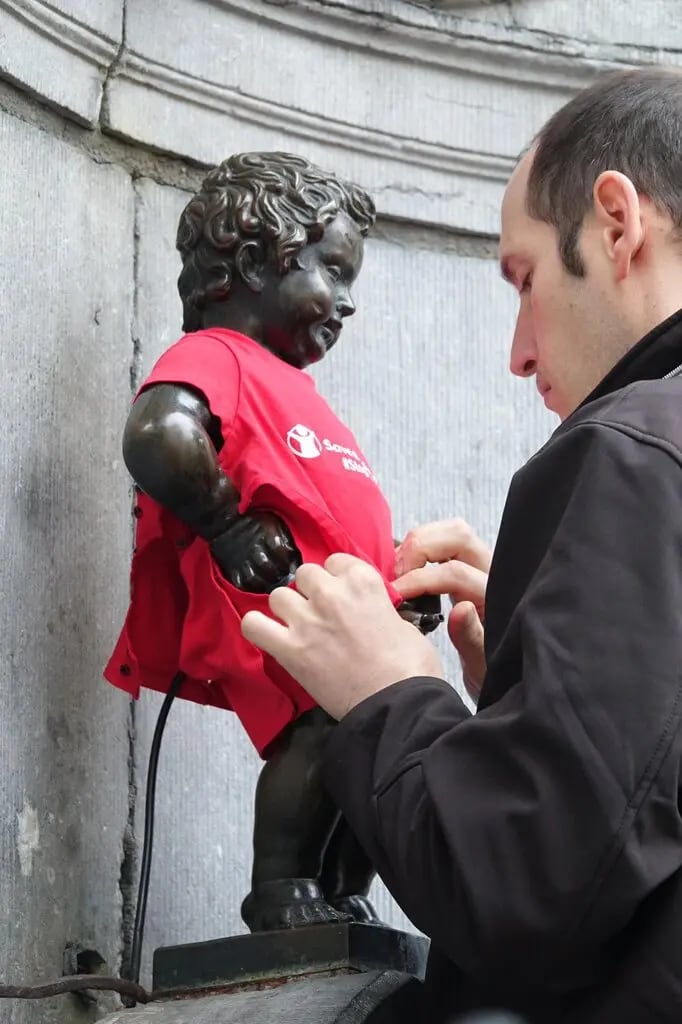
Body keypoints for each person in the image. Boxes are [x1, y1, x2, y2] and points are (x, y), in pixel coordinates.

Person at [241, 68, 682, 1022]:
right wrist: (527, 693)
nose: (518, 352)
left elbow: (529, 892)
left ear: (617, 223)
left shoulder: (634, 450)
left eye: (524, 279)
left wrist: (389, 693)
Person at [105, 151, 440, 934]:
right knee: (324, 720)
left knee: (370, 730)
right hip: (270, 590)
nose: (347, 303)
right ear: (255, 261)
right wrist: (224, 521)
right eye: (333, 272)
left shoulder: (294, 388)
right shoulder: (215, 358)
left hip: (339, 605)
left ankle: (337, 886)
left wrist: (395, 594)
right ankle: (282, 884)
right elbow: (160, 433)